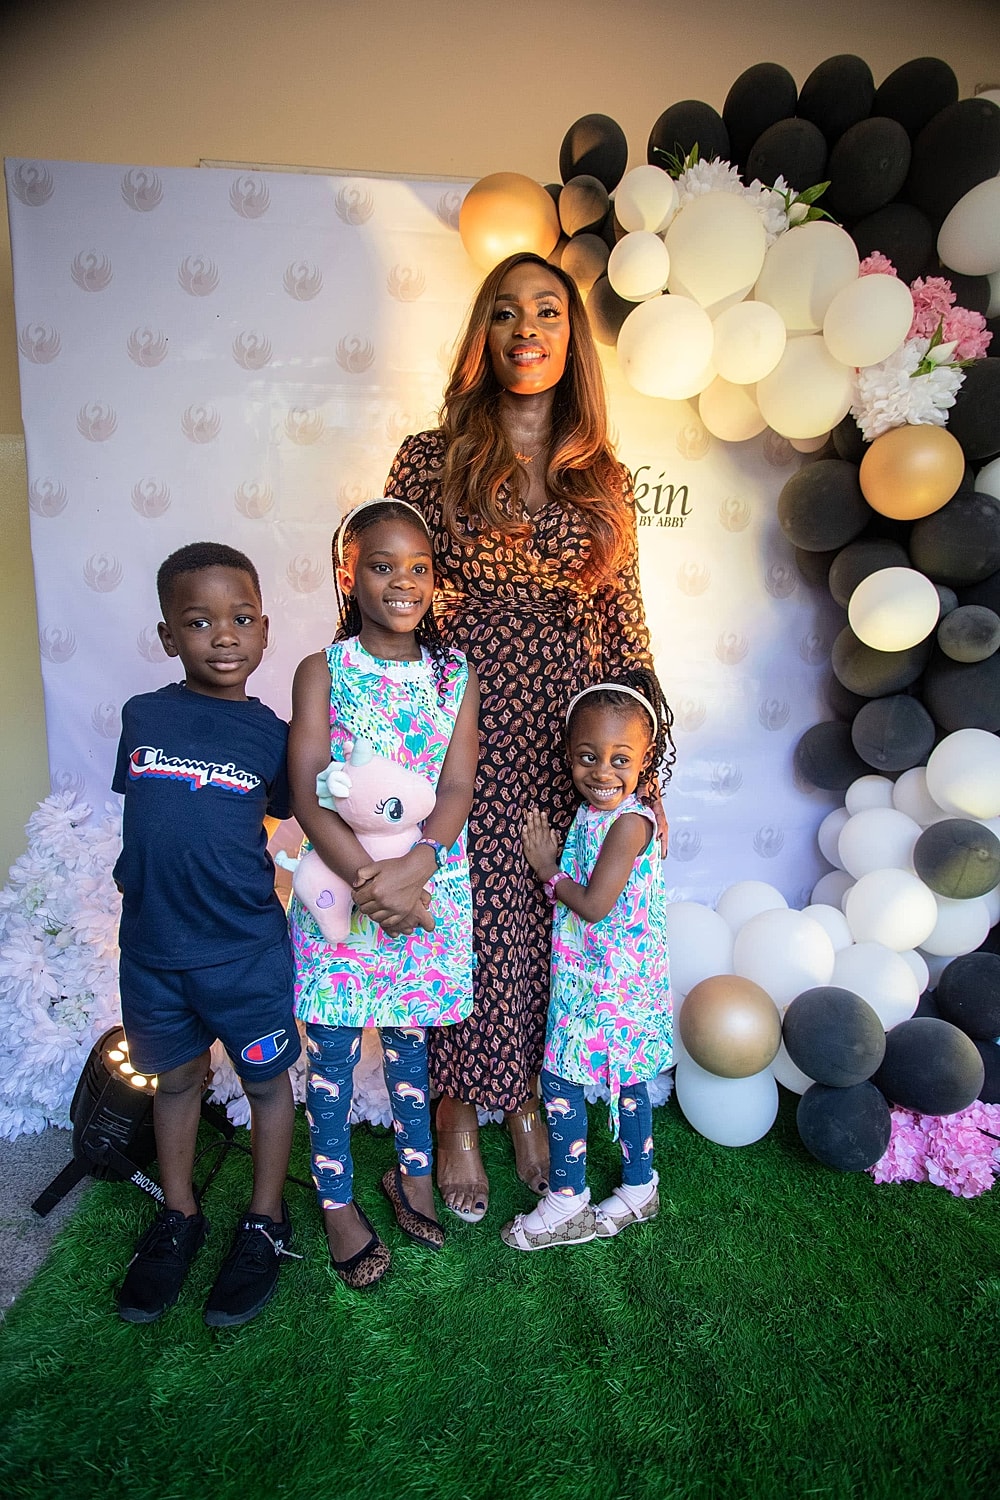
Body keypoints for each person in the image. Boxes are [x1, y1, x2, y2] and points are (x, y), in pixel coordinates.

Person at [384, 251, 659, 1221]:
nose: (528, 327)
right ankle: (458, 1108)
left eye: (548, 310)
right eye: (505, 312)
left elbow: (624, 618)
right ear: (482, 336)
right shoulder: (429, 455)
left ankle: (536, 1100)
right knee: (474, 913)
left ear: (571, 339)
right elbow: (388, 587)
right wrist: (383, 714)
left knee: (556, 919)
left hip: (574, 719)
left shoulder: (606, 479)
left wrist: (643, 753)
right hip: (460, 709)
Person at [287, 498, 479, 1289]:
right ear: (349, 573)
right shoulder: (322, 670)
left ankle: (415, 1171)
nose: (403, 582)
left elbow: (458, 784)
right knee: (332, 1049)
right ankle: (335, 1197)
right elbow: (305, 791)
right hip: (341, 892)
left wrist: (420, 865)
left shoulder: (453, 673)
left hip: (427, 883)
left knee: (408, 1040)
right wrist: (370, 884)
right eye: (381, 565)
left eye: (418, 568)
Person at [114, 542, 300, 1326]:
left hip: (245, 955)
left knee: (264, 1084)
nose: (223, 636)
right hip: (154, 955)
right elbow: (152, 818)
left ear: (263, 631)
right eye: (199, 621)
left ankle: (265, 1220)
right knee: (178, 1080)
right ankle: (180, 1214)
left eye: (241, 619)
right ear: (167, 636)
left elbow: (292, 812)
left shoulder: (275, 736)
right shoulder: (143, 716)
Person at [502, 669, 674, 1251]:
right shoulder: (597, 813)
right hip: (595, 975)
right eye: (587, 756)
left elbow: (596, 905)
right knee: (626, 1083)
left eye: (620, 759)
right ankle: (638, 1187)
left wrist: (547, 869)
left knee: (561, 1078)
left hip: (614, 983)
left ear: (645, 759)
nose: (603, 772)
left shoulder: (629, 823)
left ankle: (570, 1198)